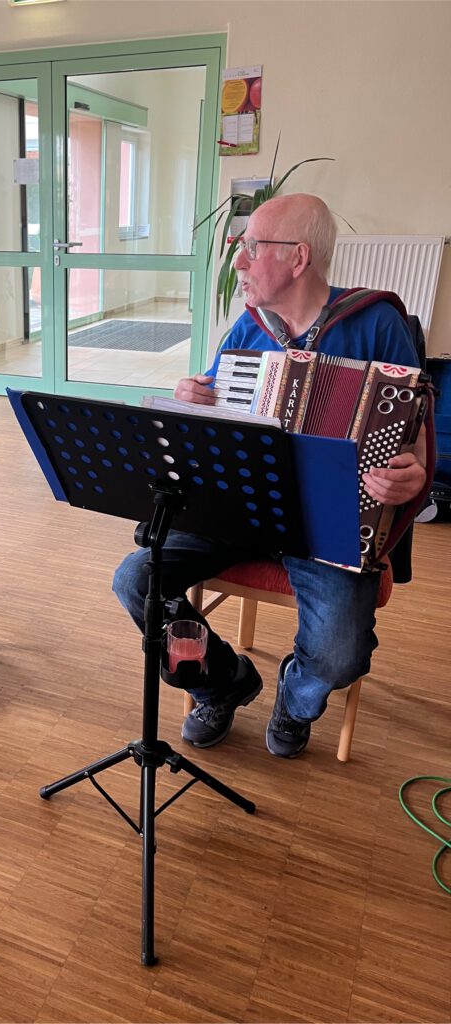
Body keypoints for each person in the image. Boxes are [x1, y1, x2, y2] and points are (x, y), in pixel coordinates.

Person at [113, 193, 427, 758]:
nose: (238, 261)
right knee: (136, 578)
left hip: (328, 524)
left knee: (338, 654)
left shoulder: (378, 323)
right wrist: (192, 401)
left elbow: (415, 437)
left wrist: (413, 473)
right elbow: (212, 421)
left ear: (297, 257)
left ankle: (296, 699)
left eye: (252, 247)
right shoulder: (250, 327)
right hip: (242, 508)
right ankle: (224, 682)